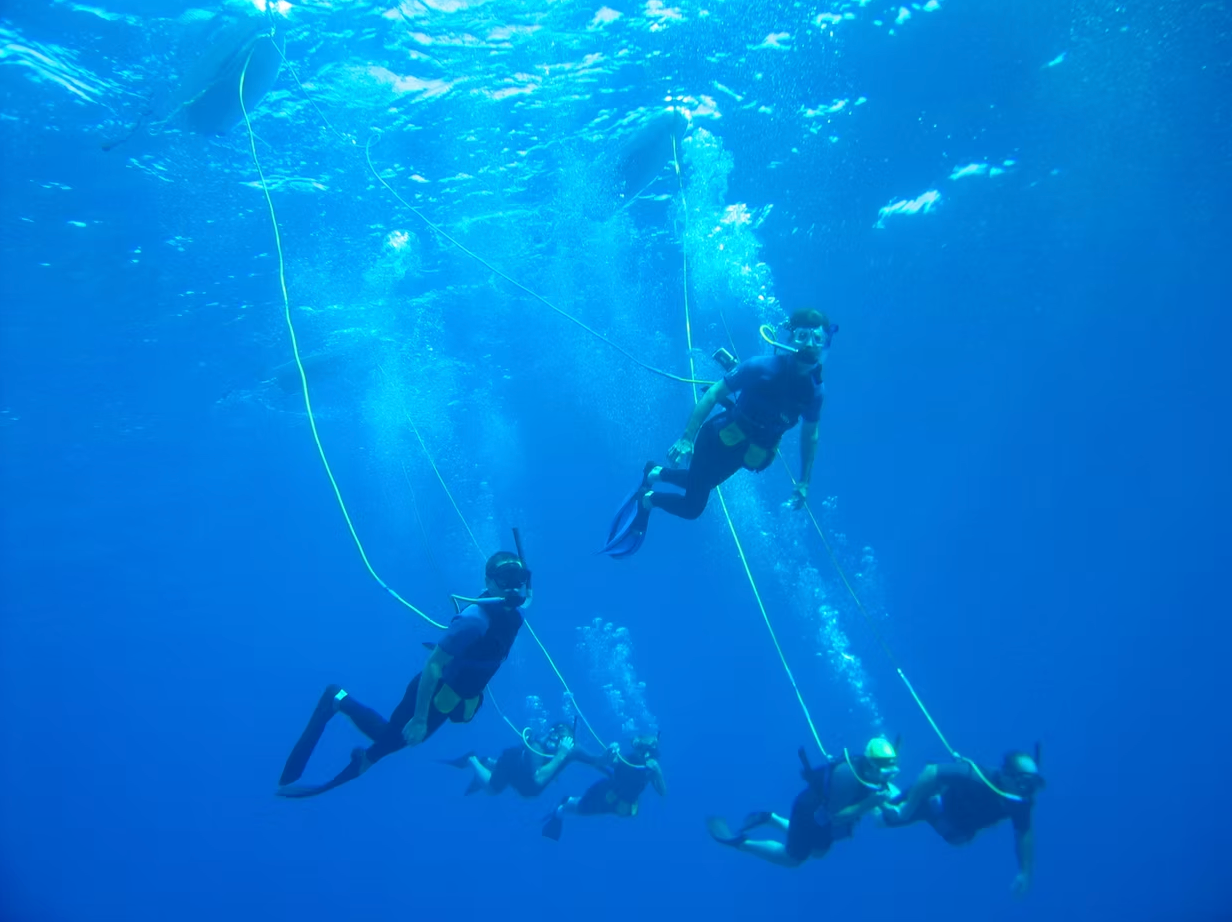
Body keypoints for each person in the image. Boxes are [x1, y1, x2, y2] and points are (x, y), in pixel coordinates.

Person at [274, 549, 529, 798]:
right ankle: (338, 701)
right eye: (504, 579)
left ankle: (368, 755)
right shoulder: (475, 621)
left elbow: (520, 603)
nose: (512, 588)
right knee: (400, 735)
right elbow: (433, 665)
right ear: (488, 582)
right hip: (433, 689)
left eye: (518, 580)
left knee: (402, 738)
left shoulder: (516, 612)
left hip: (459, 694)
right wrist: (418, 718)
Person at [601, 309, 837, 557]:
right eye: (802, 336)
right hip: (718, 438)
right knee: (693, 507)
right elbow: (713, 394)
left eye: (818, 339)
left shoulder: (814, 393)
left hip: (746, 451)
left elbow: (810, 434)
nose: (810, 344)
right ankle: (647, 499)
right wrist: (687, 438)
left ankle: (654, 472)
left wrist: (804, 481)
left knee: (702, 482)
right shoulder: (760, 367)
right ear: (790, 339)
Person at [706, 737, 900, 868]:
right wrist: (872, 803)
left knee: (817, 853)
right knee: (793, 859)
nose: (889, 772)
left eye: (892, 765)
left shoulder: (872, 776)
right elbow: (837, 816)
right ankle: (742, 843)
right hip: (809, 814)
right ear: (872, 764)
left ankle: (771, 819)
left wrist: (882, 804)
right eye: (885, 767)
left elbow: (869, 797)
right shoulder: (847, 778)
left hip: (823, 819)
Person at [882, 749, 1045, 897]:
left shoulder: (1020, 804)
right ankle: (883, 788)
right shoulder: (976, 776)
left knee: (957, 839)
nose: (1027, 790)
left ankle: (896, 802)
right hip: (932, 798)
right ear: (1006, 775)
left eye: (1033, 785)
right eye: (1024, 783)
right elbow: (931, 771)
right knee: (886, 818)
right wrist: (909, 808)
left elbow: (1024, 832)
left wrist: (1025, 871)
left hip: (953, 828)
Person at [542, 733, 666, 840]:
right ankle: (561, 809)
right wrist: (609, 754)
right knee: (580, 808)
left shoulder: (651, 770)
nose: (644, 754)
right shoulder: (627, 759)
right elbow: (601, 763)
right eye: (641, 749)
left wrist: (658, 772)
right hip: (605, 794)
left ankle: (567, 803)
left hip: (623, 805)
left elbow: (662, 792)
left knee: (582, 808)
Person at [442, 720, 606, 798]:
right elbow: (539, 779)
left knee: (518, 784)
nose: (556, 739)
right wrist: (561, 754)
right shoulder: (538, 747)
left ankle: (490, 763)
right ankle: (473, 759)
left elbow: (597, 761)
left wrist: (609, 755)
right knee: (493, 790)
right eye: (554, 734)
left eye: (562, 737)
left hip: (523, 779)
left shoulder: (572, 748)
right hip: (513, 764)